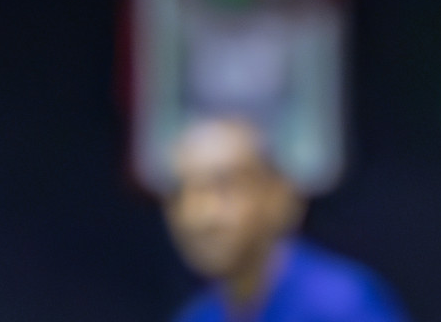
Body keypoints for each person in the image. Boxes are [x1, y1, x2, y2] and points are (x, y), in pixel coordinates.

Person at [164, 116, 410, 322]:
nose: (200, 214)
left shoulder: (343, 306)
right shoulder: (198, 317)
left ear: (279, 196)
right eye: (181, 193)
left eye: (225, 186)